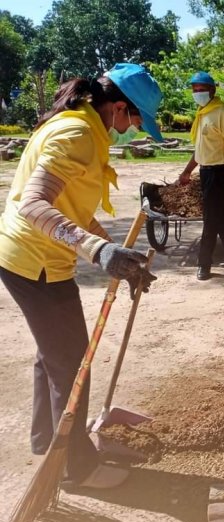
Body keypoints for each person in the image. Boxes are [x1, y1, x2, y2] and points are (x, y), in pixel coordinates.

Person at [0, 63, 161, 489]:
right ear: (120, 108)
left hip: (30, 258)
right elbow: (32, 205)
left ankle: (45, 440)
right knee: (73, 365)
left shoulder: (83, 127)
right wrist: (98, 250)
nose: (133, 130)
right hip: (34, 261)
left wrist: (115, 252)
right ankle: (76, 468)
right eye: (136, 120)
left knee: (53, 355)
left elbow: (74, 205)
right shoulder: (78, 134)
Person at [178, 71, 224, 281]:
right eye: (195, 90)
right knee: (220, 217)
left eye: (202, 89)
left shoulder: (221, 112)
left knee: (210, 219)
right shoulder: (202, 113)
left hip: (219, 171)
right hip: (205, 171)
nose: (198, 93)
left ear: (212, 90)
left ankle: (204, 264)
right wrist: (187, 171)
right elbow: (200, 150)